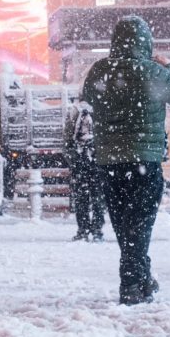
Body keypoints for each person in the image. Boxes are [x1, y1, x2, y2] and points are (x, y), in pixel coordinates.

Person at [80, 16, 170, 306]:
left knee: (123, 222)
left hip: (109, 160)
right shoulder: (152, 71)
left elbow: (89, 97)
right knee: (141, 223)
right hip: (144, 158)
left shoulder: (99, 71)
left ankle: (142, 277)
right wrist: (169, 65)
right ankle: (130, 283)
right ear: (146, 41)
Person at [63, 100, 106, 242]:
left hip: (83, 161)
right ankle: (94, 229)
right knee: (96, 198)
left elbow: (67, 139)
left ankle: (85, 229)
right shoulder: (100, 109)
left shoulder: (76, 111)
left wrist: (72, 157)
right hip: (95, 161)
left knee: (84, 198)